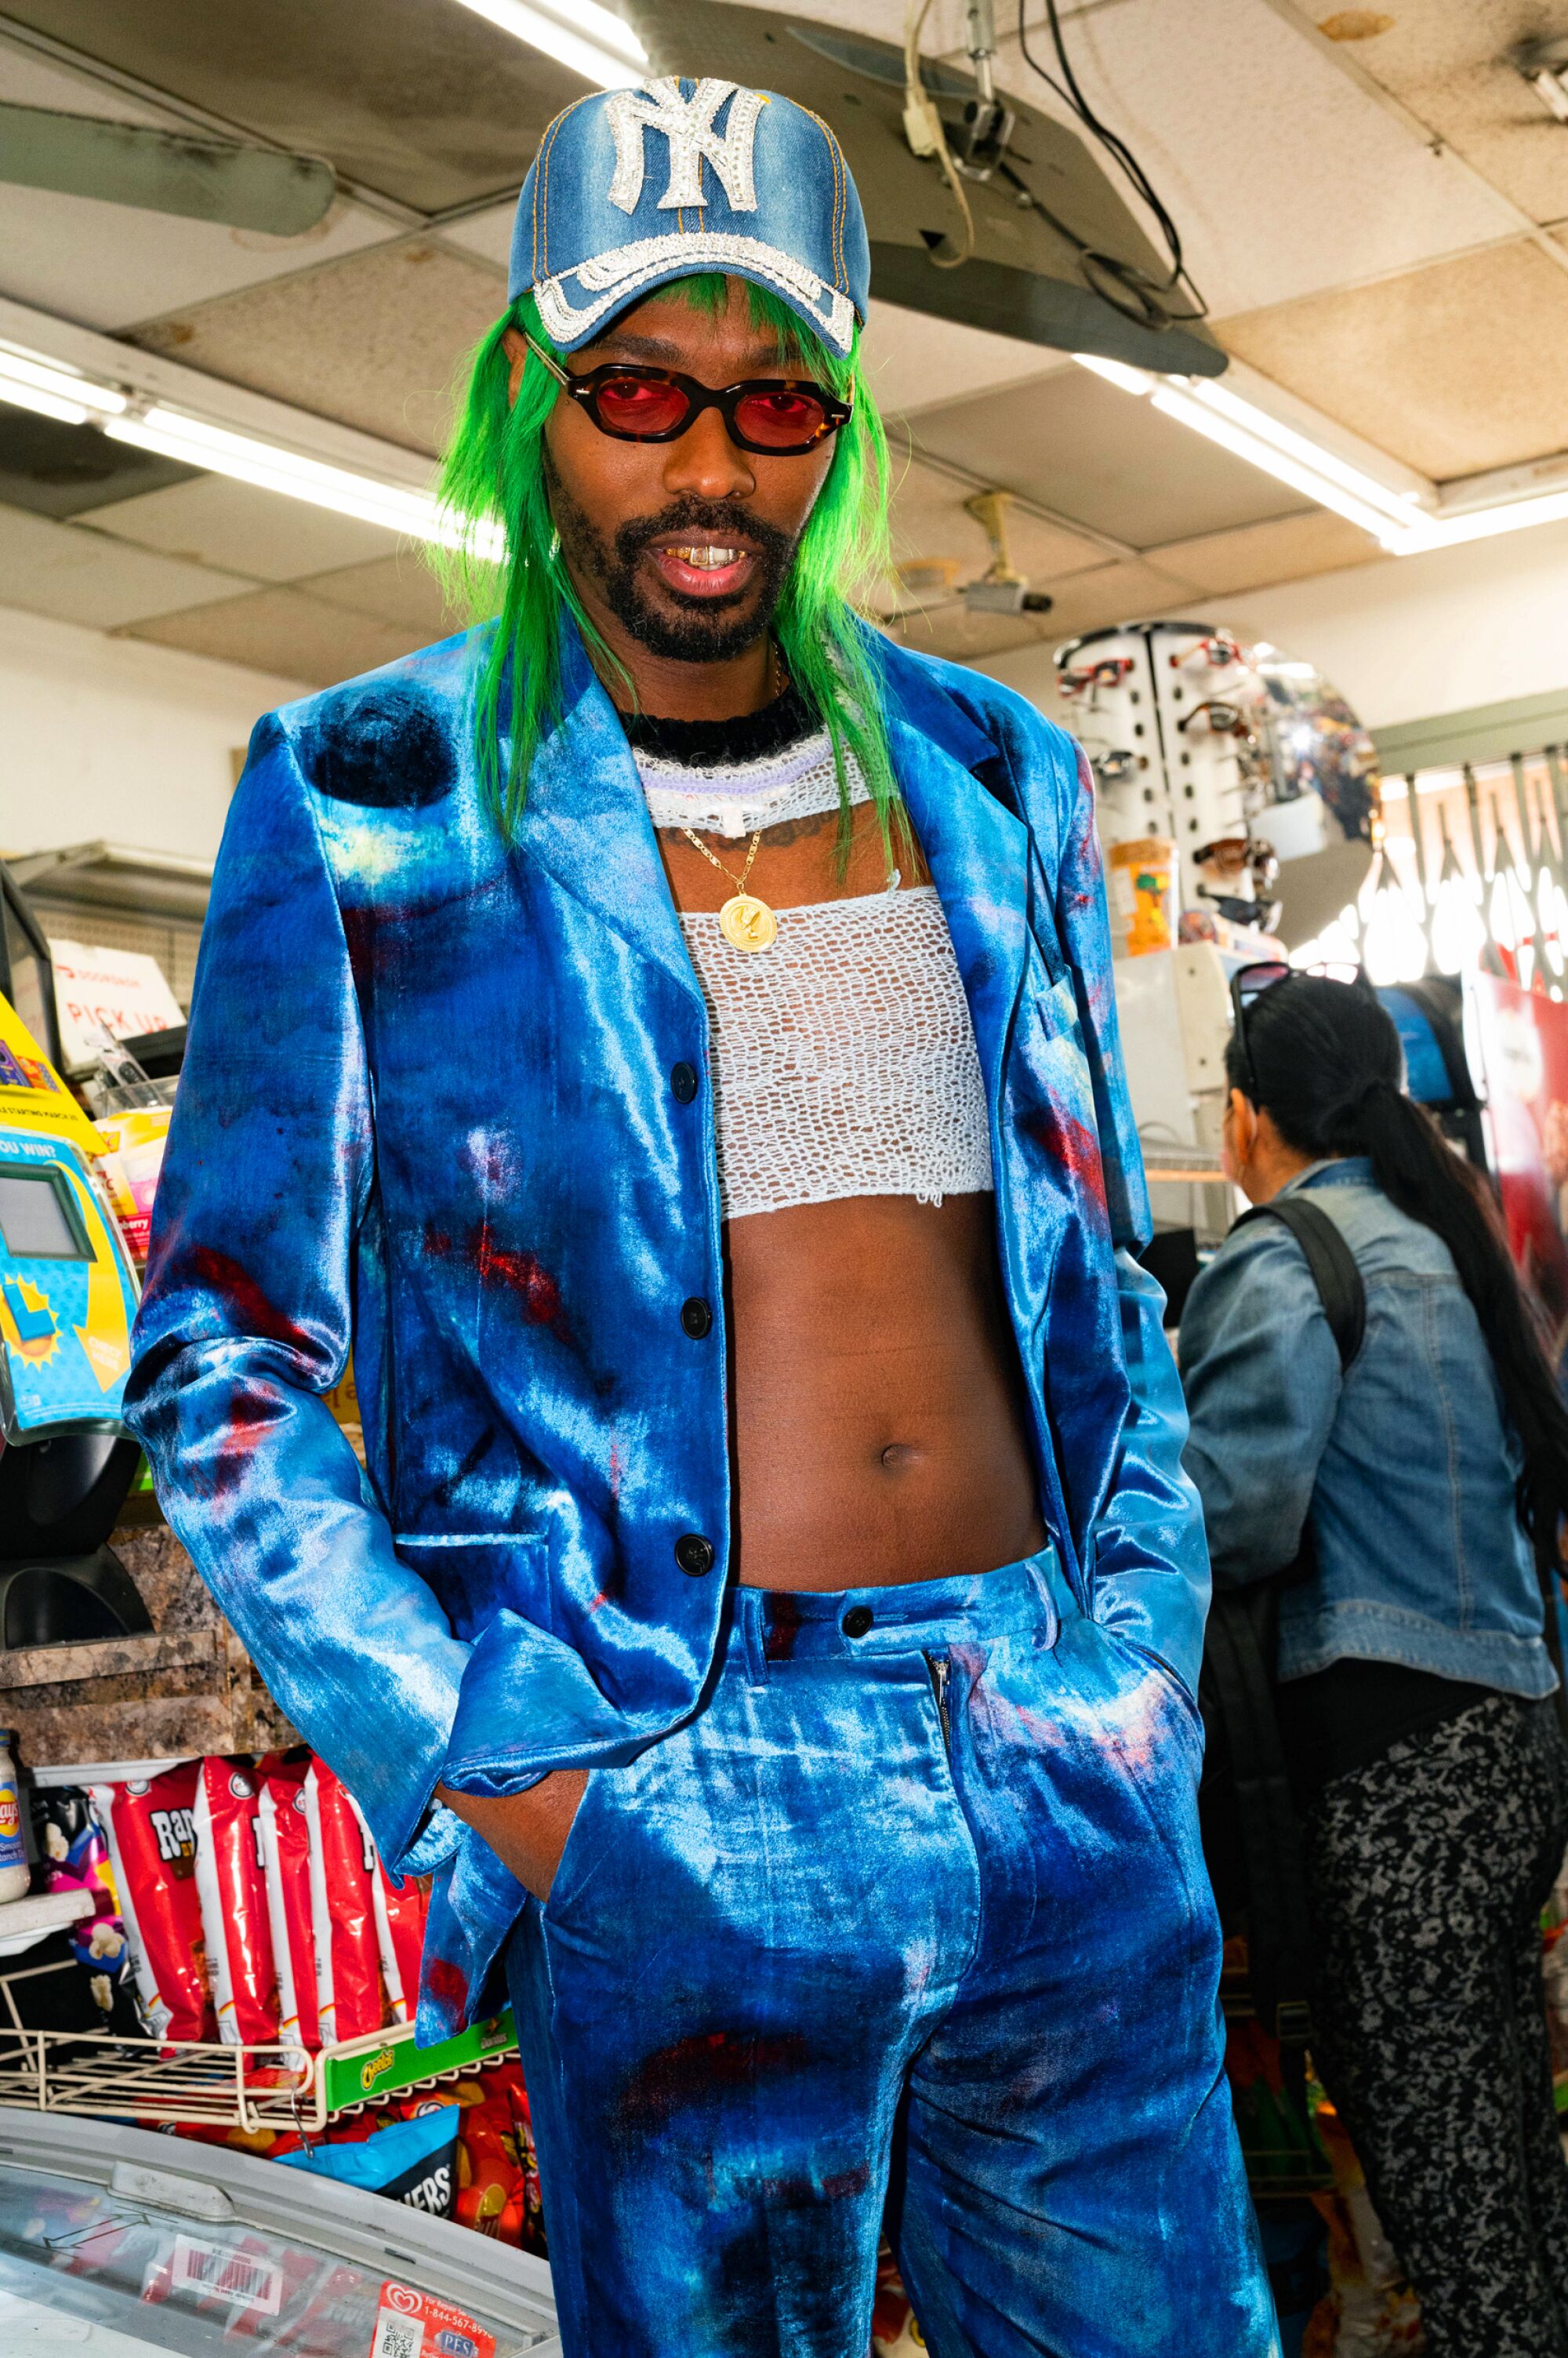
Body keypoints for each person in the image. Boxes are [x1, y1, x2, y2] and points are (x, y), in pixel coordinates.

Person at [124, 75, 1276, 2358]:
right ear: (536, 402)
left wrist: (1134, 1666)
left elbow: (1064, 1288)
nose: (710, 465)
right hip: (677, 1780)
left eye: (777, 401)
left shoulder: (982, 770)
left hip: (1050, 1740)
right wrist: (518, 1790)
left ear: (837, 420)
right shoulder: (375, 794)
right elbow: (222, 1364)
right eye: (643, 390)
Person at [1180, 968, 1568, 2358]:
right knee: (1509, 2161)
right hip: (1513, 1737)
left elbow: (1238, 1512)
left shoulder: (1286, 1256)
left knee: (1447, 2193)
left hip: (1396, 1773)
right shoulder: (1443, 1240)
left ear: (1244, 1116)